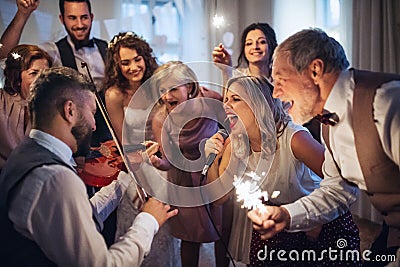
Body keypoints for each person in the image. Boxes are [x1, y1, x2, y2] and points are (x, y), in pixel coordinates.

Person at [247, 28, 400, 266]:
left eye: (280, 80)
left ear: (315, 70)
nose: (276, 93)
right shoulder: (328, 123)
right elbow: (336, 190)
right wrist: (287, 216)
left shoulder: (385, 103)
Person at [0, 66, 177, 267]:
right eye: (92, 113)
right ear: (70, 111)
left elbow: (81, 214)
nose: (94, 125)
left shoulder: (26, 152)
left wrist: (126, 173)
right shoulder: (55, 177)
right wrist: (148, 220)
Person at [205, 75, 360, 266]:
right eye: (225, 100)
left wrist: (315, 219)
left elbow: (343, 182)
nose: (226, 106)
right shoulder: (236, 143)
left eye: (235, 99)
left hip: (321, 219)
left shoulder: (294, 139)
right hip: (277, 220)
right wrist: (212, 158)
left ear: (259, 104)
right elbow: (218, 198)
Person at [102, 31, 180, 266]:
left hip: (165, 165)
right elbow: (122, 141)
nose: (133, 67)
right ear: (117, 65)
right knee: (139, 232)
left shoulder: (158, 86)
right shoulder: (114, 95)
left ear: (145, 57)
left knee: (166, 232)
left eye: (137, 59)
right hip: (135, 167)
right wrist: (137, 182)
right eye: (125, 62)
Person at [150, 61, 230, 267]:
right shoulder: (160, 118)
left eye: (174, 88)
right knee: (190, 238)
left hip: (215, 173)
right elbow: (168, 160)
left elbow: (231, 124)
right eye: (162, 90)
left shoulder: (210, 100)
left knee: (223, 235)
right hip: (184, 182)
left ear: (190, 87)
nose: (167, 96)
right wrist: (159, 163)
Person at [212, 22, 321, 142]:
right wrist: (226, 69)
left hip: (281, 135)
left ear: (272, 46)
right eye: (249, 43)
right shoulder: (238, 77)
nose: (255, 47)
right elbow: (229, 110)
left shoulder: (282, 79)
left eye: (262, 42)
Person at [0, 0, 107, 89]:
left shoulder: (105, 47)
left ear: (91, 17)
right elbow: (4, 55)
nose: (79, 25)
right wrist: (22, 14)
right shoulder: (52, 51)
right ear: (62, 19)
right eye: (72, 18)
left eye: (84, 17)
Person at [0, 44, 52, 170]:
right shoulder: (1, 101)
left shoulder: (52, 106)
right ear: (17, 77)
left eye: (46, 73)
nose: (42, 79)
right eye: (34, 73)